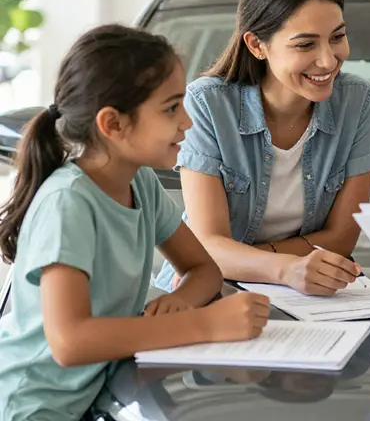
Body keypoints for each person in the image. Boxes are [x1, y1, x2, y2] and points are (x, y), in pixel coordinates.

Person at [0, 24, 270, 421]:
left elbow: (203, 269)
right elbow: (69, 342)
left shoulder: (139, 182)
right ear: (113, 124)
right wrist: (206, 323)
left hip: (95, 395)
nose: (188, 123)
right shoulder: (68, 202)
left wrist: (182, 301)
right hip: (32, 407)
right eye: (170, 108)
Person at [154, 0, 370, 297]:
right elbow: (207, 244)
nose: (328, 59)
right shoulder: (207, 104)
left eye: (337, 37)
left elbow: (341, 237)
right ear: (257, 45)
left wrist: (235, 260)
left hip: (315, 295)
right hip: (206, 293)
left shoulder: (359, 101)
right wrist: (287, 268)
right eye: (306, 44)